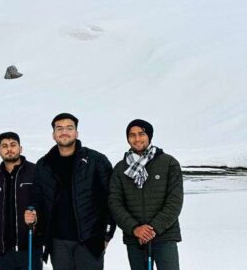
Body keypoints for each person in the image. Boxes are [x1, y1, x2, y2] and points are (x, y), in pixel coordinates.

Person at [26, 113, 115, 270]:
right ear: (53, 134)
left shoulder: (96, 160)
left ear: (76, 133)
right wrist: (32, 213)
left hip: (89, 240)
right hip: (58, 243)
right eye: (59, 128)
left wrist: (107, 235)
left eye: (69, 128)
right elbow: (37, 198)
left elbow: (112, 199)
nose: (64, 132)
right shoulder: (44, 164)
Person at [109, 119, 183, 270]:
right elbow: (115, 203)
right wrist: (136, 229)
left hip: (164, 235)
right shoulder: (120, 168)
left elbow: (174, 201)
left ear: (149, 136)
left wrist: (152, 229)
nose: (137, 139)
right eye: (132, 135)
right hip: (135, 237)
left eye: (141, 134)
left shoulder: (168, 163)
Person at [0, 132, 43, 270]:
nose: (9, 149)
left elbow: (47, 204)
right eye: (4, 146)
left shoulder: (36, 172)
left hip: (30, 247)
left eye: (13, 145)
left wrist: (38, 226)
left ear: (20, 148)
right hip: (5, 251)